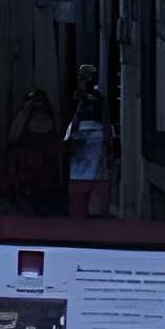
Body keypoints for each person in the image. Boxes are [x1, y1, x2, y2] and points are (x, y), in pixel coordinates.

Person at [65, 72, 116, 219]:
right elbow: (112, 149)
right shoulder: (106, 128)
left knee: (78, 215)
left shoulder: (73, 127)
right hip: (100, 177)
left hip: (77, 177)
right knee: (97, 216)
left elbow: (67, 147)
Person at [6, 92, 65, 217]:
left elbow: (58, 140)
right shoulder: (24, 117)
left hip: (44, 168)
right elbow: (13, 137)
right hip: (29, 166)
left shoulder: (51, 118)